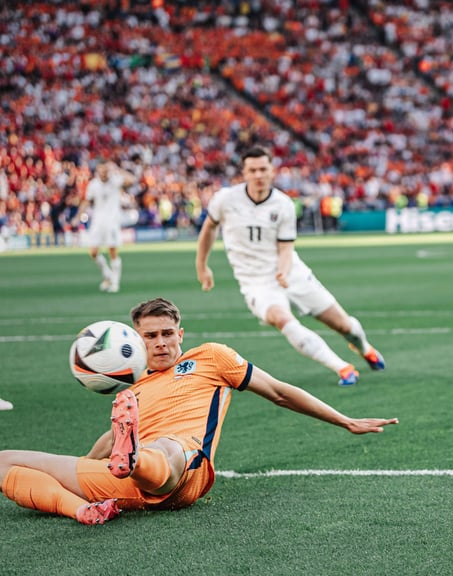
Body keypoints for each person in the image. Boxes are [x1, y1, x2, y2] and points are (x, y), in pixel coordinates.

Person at [0, 297, 398, 525]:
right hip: (123, 481)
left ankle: (135, 458)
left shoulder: (211, 358)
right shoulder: (133, 385)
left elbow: (278, 391)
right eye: (149, 336)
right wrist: (83, 466)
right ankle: (84, 509)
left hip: (183, 473)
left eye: (167, 334)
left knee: (167, 446)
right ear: (137, 340)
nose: (160, 343)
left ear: (180, 334)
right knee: (6, 464)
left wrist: (343, 419)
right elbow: (109, 440)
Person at [196, 146, 385, 387]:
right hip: (256, 281)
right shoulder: (225, 199)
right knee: (282, 319)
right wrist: (202, 266)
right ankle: (343, 368)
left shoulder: (283, 204)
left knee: (344, 325)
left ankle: (364, 348)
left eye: (263, 169)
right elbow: (208, 229)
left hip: (292, 273)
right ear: (244, 172)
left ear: (272, 171)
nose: (258, 175)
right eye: (252, 170)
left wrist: (284, 272)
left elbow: (286, 248)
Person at [84, 161, 136, 293]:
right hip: (97, 222)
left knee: (112, 251)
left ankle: (115, 283)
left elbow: (132, 180)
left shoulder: (115, 180)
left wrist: (118, 169)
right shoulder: (93, 184)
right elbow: (87, 201)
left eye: (105, 171)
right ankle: (108, 275)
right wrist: (77, 216)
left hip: (112, 222)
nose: (103, 174)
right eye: (100, 171)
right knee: (93, 252)